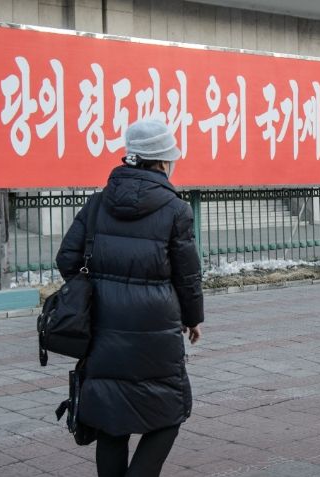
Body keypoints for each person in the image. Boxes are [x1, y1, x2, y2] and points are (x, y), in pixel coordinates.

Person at [56, 119, 204, 477]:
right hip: (157, 330)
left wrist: (101, 288)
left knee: (112, 420)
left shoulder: (97, 204)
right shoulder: (176, 210)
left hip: (104, 328)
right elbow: (187, 275)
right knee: (170, 413)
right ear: (163, 161)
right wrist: (192, 317)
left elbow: (67, 260)